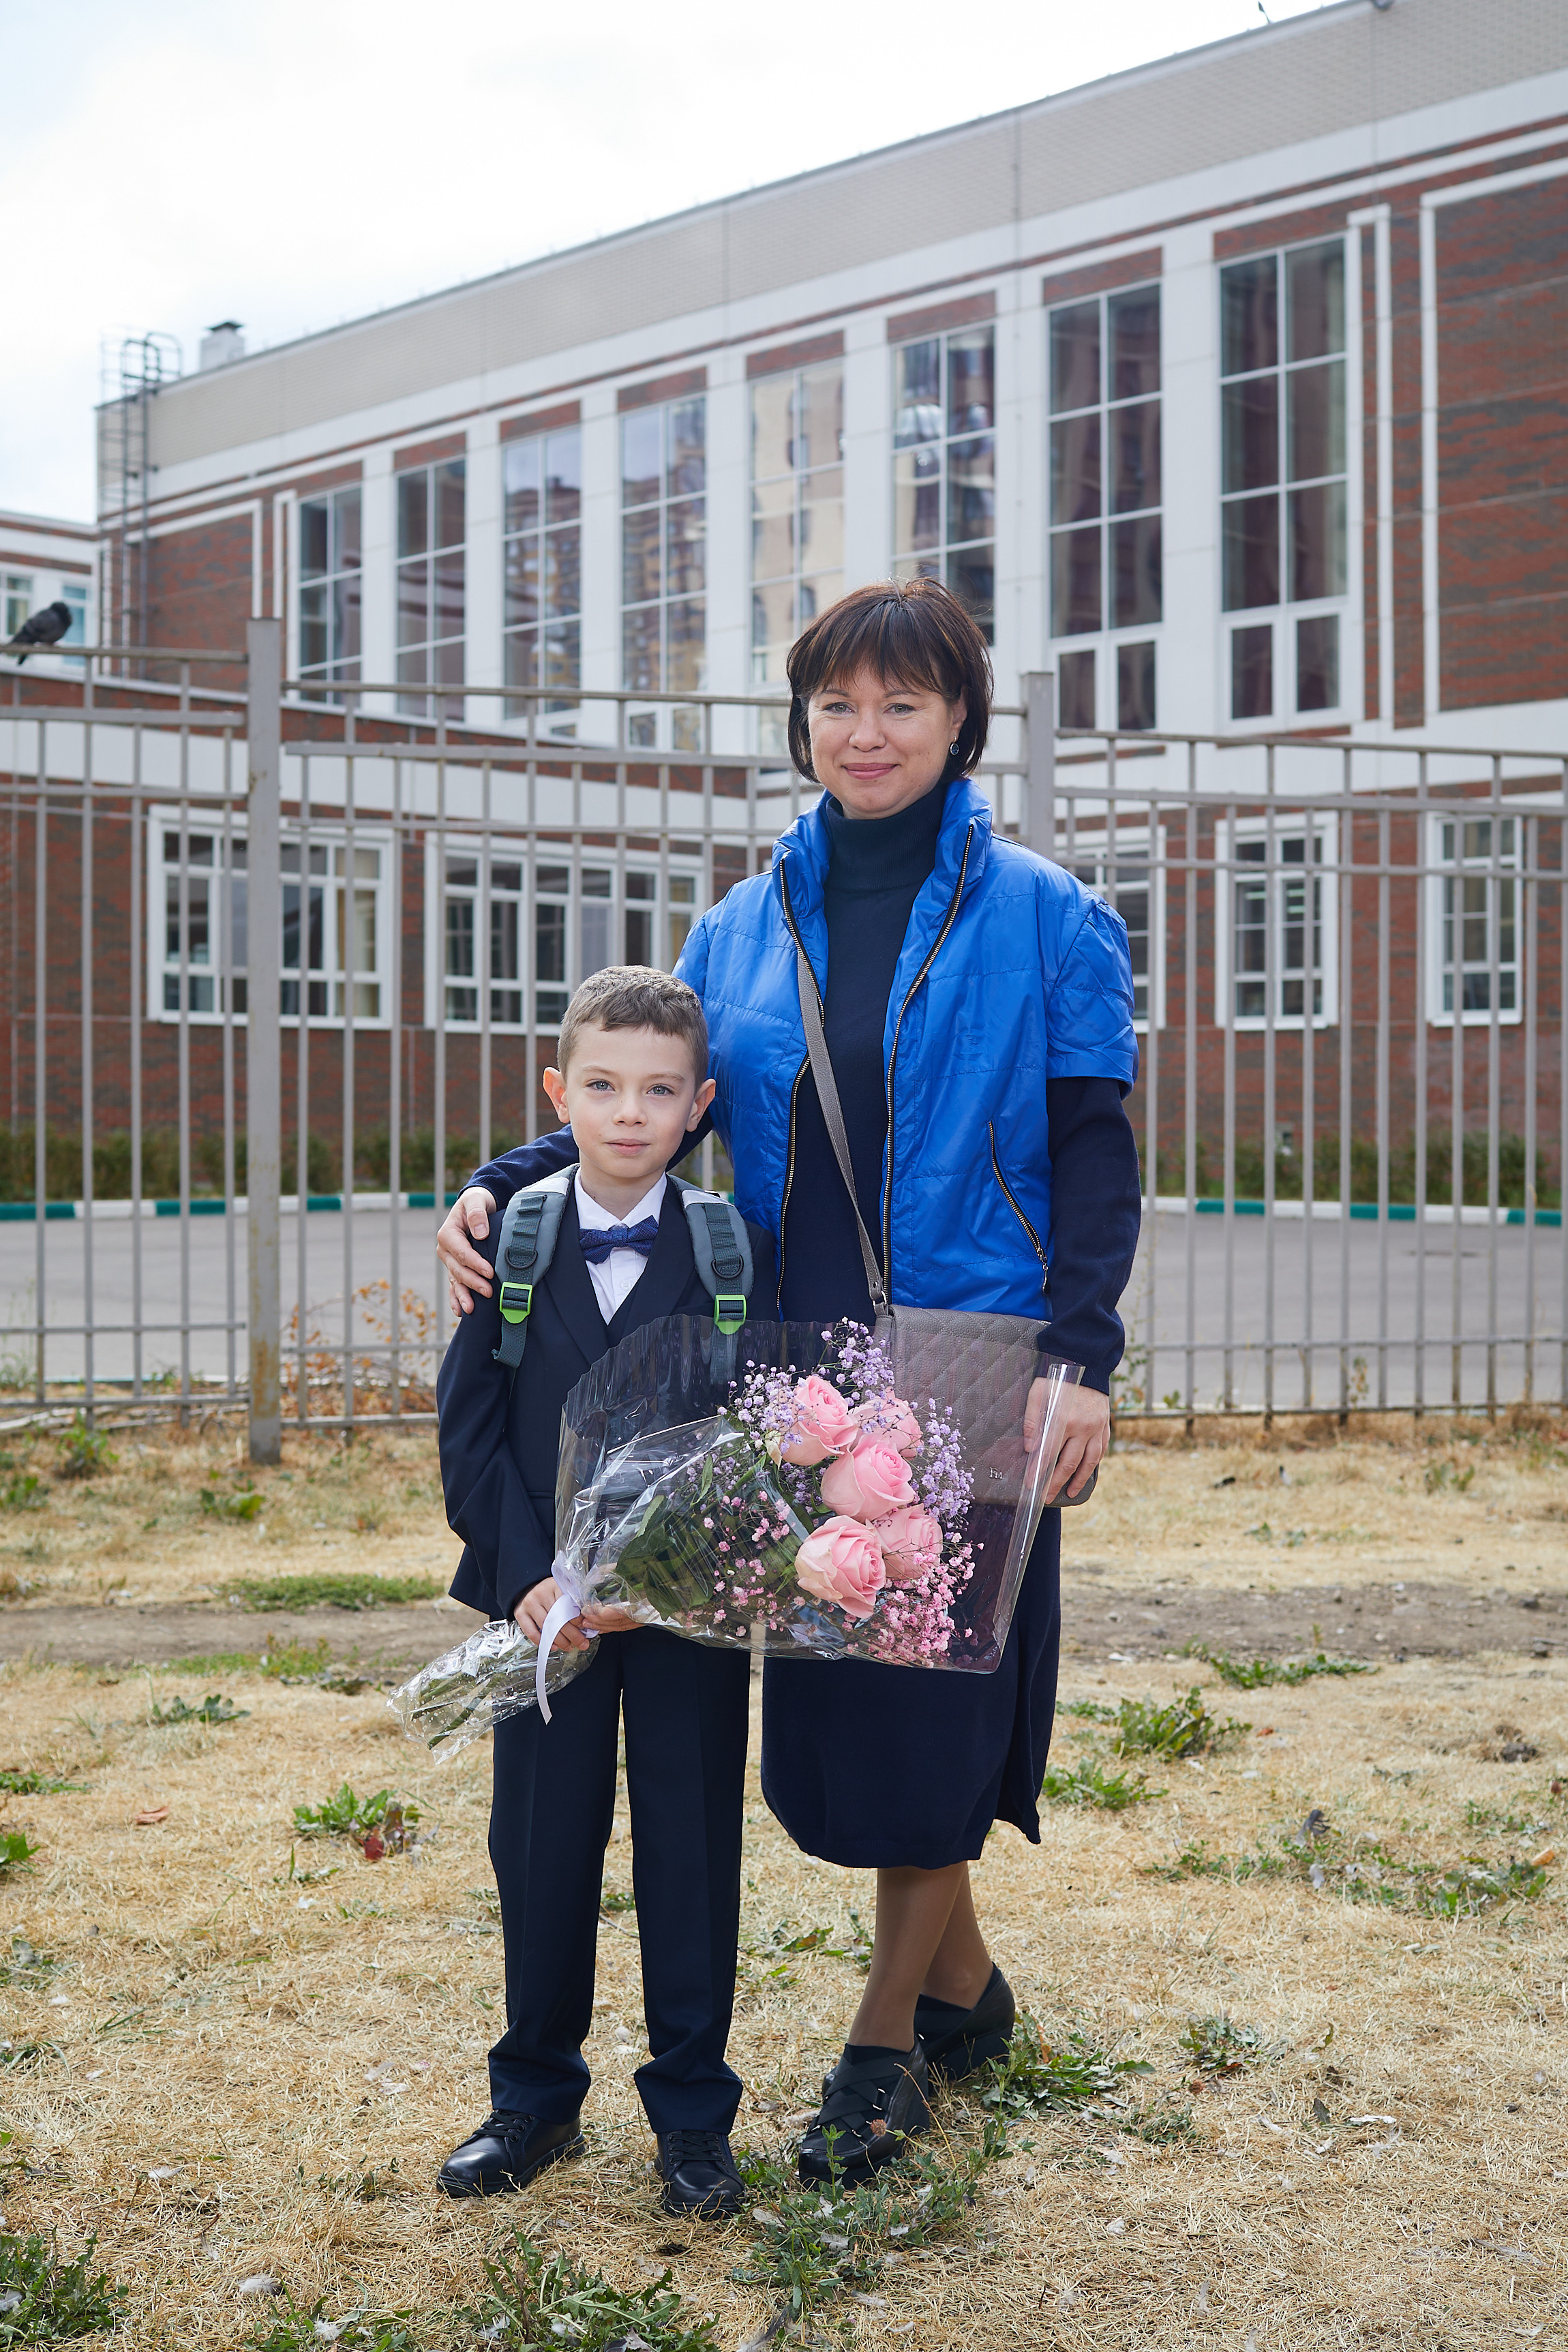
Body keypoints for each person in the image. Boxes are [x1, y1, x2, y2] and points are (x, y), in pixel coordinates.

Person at [438, 579, 1141, 2184]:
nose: (867, 733)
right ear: (803, 722)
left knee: (933, 1709)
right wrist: (504, 1176)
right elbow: (666, 1101)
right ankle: (963, 1992)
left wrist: (1084, 1357)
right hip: (786, 1371)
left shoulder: (1046, 914)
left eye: (902, 703)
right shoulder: (740, 925)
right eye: (838, 704)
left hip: (970, 1354)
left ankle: (884, 2047)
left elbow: (1097, 1153)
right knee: (828, 1722)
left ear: (961, 719)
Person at [434, 966, 777, 2218]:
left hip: (685, 1615)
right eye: (602, 1085)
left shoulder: (737, 1249)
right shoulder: (506, 1238)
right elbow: (469, 1433)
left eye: (659, 1090)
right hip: (544, 1617)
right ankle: (532, 2097)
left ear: (700, 1108)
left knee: (691, 1850)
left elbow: (762, 1438)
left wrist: (684, 1572)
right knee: (541, 1844)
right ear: (557, 1092)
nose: (629, 1111)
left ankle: (693, 2114)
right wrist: (529, 1579)